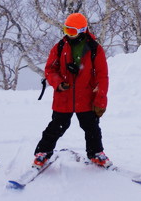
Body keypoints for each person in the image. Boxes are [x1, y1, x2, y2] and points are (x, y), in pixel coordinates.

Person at [32, 12, 111, 168]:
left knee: (91, 127)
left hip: (86, 97)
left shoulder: (95, 49)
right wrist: (59, 83)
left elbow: (102, 76)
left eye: (72, 31)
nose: (68, 34)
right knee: (56, 126)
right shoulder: (60, 47)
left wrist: (100, 100)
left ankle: (96, 153)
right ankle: (43, 152)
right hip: (64, 96)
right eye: (66, 30)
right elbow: (50, 69)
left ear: (82, 30)